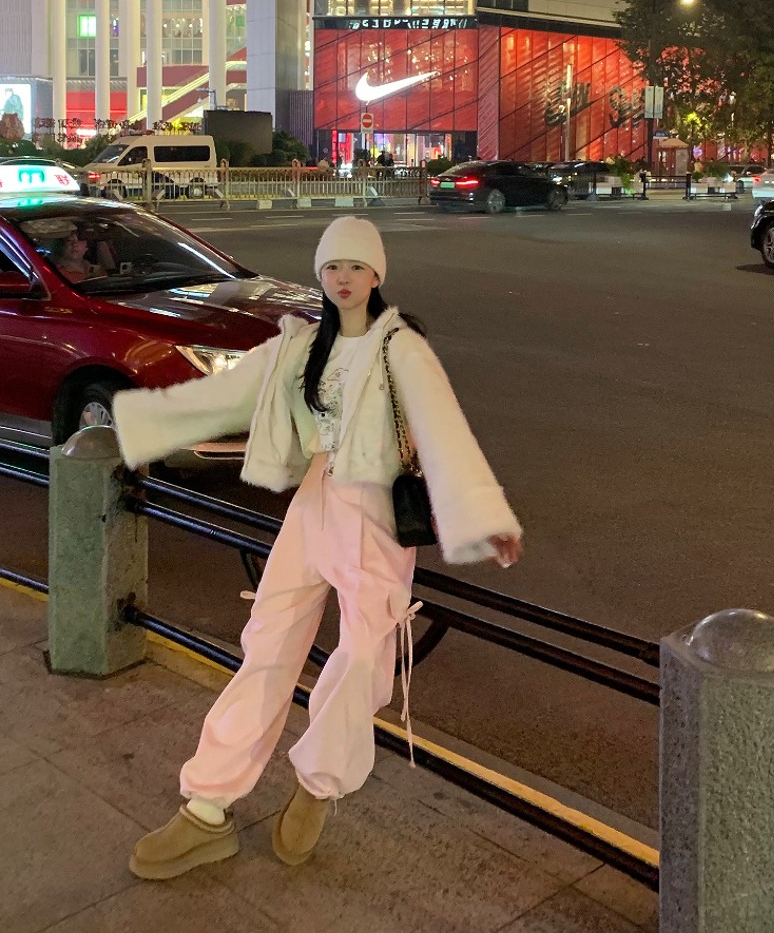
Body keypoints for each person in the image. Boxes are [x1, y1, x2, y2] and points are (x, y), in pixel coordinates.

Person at [112, 216, 523, 881]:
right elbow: (228, 393)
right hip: (315, 500)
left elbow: (443, 428)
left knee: (363, 655)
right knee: (268, 642)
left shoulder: (401, 346)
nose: (343, 278)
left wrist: (484, 515)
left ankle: (318, 783)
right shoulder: (302, 343)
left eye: (356, 266)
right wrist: (138, 424)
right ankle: (207, 807)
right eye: (332, 266)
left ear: (376, 274)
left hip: (377, 512)